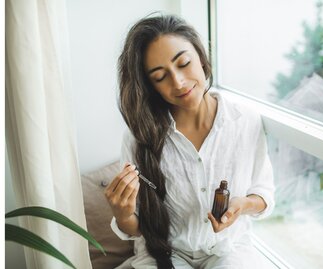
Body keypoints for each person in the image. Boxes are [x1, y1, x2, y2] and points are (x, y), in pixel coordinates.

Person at [104, 14, 275, 269]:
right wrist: (123, 213)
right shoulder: (139, 137)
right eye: (161, 77)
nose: (179, 82)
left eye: (183, 63)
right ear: (151, 87)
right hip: (164, 253)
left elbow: (264, 194)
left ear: (200, 54)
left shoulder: (245, 120)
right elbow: (137, 227)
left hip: (229, 249)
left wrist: (241, 205)